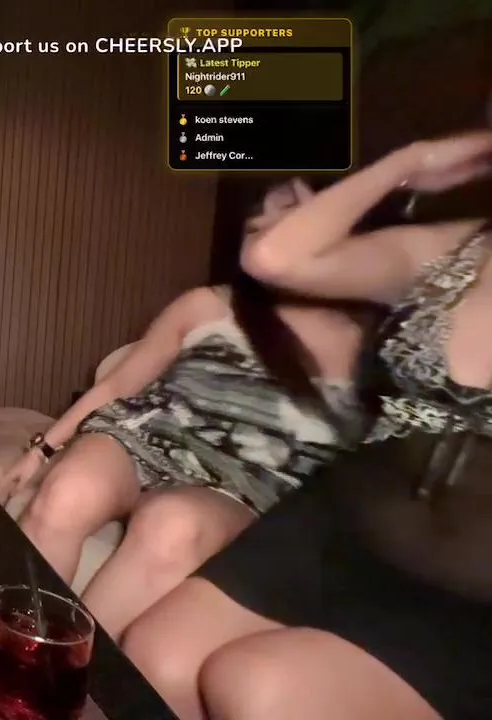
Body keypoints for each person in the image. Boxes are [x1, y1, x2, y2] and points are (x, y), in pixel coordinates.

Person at [120, 129, 492, 720]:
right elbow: (273, 257)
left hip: (465, 585)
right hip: (342, 521)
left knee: (255, 684)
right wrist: (407, 162)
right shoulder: (454, 248)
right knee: (154, 656)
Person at [0, 179, 372, 637]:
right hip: (150, 436)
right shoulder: (209, 305)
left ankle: (68, 671)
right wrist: (40, 452)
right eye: (255, 224)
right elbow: (118, 383)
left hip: (248, 483)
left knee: (172, 525)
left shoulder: (379, 347)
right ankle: (9, 651)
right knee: (69, 491)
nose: (264, 226)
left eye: (289, 210)